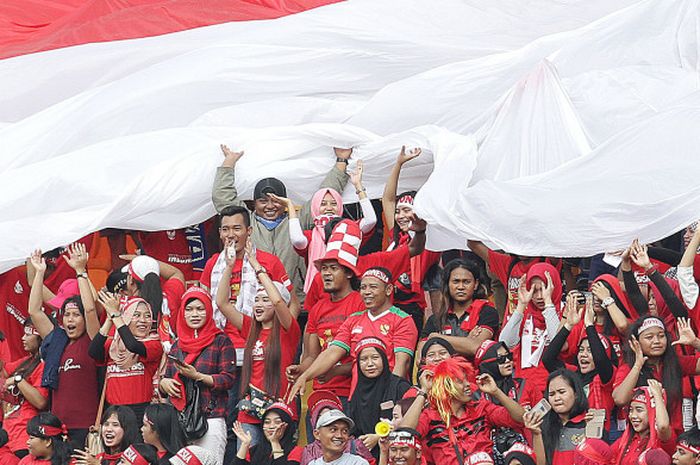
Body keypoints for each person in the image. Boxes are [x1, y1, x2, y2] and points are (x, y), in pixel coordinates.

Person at [213, 144, 352, 303]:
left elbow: (325, 196)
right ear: (254, 203)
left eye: (276, 201)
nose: (270, 206)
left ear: (285, 202)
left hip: (296, 302)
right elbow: (223, 197)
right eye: (263, 201)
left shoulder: (297, 222)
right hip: (255, 302)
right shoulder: (246, 224)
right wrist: (229, 162)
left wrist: (342, 161)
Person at [215, 239, 300, 448]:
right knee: (245, 457)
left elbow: (280, 301)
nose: (259, 304)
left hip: (279, 409)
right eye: (257, 299)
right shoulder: (250, 328)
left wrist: (255, 265)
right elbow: (222, 303)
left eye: (265, 300)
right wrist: (228, 267)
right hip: (249, 409)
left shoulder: (289, 330)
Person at [287, 219, 367, 437]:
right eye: (323, 269)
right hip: (321, 394)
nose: (326, 274)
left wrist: (332, 370)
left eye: (333, 268)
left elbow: (366, 358)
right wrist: (301, 369)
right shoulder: (317, 309)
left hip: (351, 393)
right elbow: (312, 355)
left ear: (349, 272)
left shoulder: (361, 303)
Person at [288, 267, 418, 401]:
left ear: (388, 290)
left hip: (388, 397)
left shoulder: (402, 320)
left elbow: (403, 363)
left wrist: (390, 397)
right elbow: (333, 352)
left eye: (373, 287)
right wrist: (305, 376)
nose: (367, 292)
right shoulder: (353, 319)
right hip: (359, 399)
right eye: (363, 287)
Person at [27, 248, 100, 449]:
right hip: (57, 429)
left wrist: (80, 271)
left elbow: (91, 308)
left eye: (75, 314)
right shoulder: (57, 340)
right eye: (66, 314)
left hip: (86, 427)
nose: (70, 319)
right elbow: (34, 311)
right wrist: (40, 272)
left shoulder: (93, 340)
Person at [271, 158, 376, 293]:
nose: (329, 208)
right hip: (318, 291)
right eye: (323, 204)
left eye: (333, 203)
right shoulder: (310, 235)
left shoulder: (350, 229)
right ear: (314, 207)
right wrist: (290, 207)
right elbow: (297, 240)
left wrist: (358, 187)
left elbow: (371, 220)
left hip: (346, 292)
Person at [159, 287, 235, 463]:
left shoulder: (221, 340)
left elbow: (228, 379)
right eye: (189, 309)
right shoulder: (177, 345)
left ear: (209, 311)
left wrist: (198, 376)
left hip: (211, 418)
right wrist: (164, 384)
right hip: (180, 420)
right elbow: (166, 378)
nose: (195, 314)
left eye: (200, 309)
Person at [400, 357, 525, 462]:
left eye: (467, 380)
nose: (467, 385)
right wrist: (424, 391)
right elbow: (404, 435)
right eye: (460, 381)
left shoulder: (482, 408)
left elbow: (521, 418)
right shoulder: (430, 416)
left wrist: (496, 392)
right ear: (445, 386)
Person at [381, 146, 441, 333]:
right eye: (398, 212)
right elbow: (388, 199)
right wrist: (398, 164)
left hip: (410, 309)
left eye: (406, 210)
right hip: (386, 305)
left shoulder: (430, 237)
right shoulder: (397, 236)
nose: (400, 216)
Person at [612, 316, 700, 435]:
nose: (657, 341)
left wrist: (695, 342)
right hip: (642, 438)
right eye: (649, 337)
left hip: (672, 437)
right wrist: (638, 365)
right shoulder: (628, 368)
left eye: (661, 336)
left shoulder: (674, 363)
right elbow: (620, 399)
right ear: (636, 342)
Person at [542, 292, 615, 434]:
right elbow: (548, 359)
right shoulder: (572, 375)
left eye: (590, 351)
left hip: (599, 440)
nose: (583, 354)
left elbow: (600, 359)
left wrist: (589, 325)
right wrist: (568, 325)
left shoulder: (606, 376)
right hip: (570, 435)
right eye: (581, 350)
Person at [88, 296, 163, 423]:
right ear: (126, 317)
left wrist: (117, 316)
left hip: (140, 413)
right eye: (136, 315)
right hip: (113, 412)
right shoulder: (113, 346)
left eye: (147, 316)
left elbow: (133, 345)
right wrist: (109, 320)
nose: (143, 321)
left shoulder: (154, 344)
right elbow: (93, 352)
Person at [499, 263, 562, 392]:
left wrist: (549, 303)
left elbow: (558, 344)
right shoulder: (525, 314)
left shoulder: (566, 312)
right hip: (523, 387)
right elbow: (505, 343)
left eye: (543, 289)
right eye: (534, 290)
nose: (539, 296)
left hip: (554, 388)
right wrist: (521, 305)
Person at [419, 259, 499, 359]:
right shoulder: (435, 319)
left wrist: (437, 338)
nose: (461, 287)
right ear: (448, 284)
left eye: (466, 282)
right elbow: (421, 357)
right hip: (442, 374)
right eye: (456, 282)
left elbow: (475, 347)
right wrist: (466, 342)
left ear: (476, 284)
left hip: (478, 373)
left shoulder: (487, 312)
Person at [348, 338, 412, 455]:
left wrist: (379, 436)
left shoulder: (399, 386)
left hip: (398, 452)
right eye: (363, 359)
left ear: (384, 359)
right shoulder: (357, 393)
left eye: (375, 358)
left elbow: (411, 421)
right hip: (365, 455)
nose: (370, 364)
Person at [0, 320, 48, 462]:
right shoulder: (25, 362)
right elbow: (2, 370)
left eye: (28, 334)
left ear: (40, 337)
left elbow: (40, 402)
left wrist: (18, 380)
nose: (23, 338)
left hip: (24, 439)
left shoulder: (42, 365)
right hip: (7, 436)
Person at [119, 254, 186, 351]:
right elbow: (176, 273)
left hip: (136, 360)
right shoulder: (171, 295)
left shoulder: (124, 304)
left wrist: (141, 260)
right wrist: (149, 263)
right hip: (168, 359)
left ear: (131, 280)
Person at [300, 390, 375, 465]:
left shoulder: (356, 452)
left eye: (345, 430)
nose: (339, 435)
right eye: (333, 429)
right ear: (316, 433)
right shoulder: (310, 452)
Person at [611, 381, 675, 465]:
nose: (633, 416)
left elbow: (663, 426)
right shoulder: (626, 440)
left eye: (639, 410)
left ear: (653, 412)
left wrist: (657, 396)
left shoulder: (661, 439)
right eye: (630, 410)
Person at [540, 369, 589, 465]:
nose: (557, 398)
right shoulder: (544, 426)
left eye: (562, 392)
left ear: (576, 394)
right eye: (551, 394)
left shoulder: (588, 423)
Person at [232, 402, 303, 465]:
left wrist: (275, 442)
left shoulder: (296, 451)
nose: (271, 426)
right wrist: (244, 445)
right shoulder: (253, 450)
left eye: (277, 422)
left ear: (287, 426)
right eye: (267, 422)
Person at [72, 406, 140, 465]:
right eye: (106, 424)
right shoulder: (98, 458)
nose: (109, 429)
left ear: (127, 429)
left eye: (115, 425)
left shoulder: (134, 460)